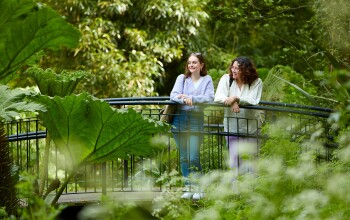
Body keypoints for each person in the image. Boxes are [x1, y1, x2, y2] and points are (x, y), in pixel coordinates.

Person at [170, 52, 214, 200]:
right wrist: (183, 99)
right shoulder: (182, 79)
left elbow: (209, 98)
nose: (191, 65)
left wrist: (192, 98)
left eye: (195, 62)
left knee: (193, 156)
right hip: (179, 119)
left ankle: (199, 188)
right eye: (189, 62)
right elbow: (173, 95)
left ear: (202, 65)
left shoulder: (207, 79)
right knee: (183, 156)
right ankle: (188, 187)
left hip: (196, 119)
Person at [214, 56, 263, 176]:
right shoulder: (227, 79)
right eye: (233, 67)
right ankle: (234, 190)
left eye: (238, 68)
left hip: (251, 127)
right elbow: (218, 97)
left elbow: (253, 100)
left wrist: (237, 98)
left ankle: (252, 189)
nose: (234, 70)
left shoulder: (256, 82)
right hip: (232, 127)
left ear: (246, 70)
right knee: (234, 160)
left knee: (252, 160)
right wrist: (231, 100)